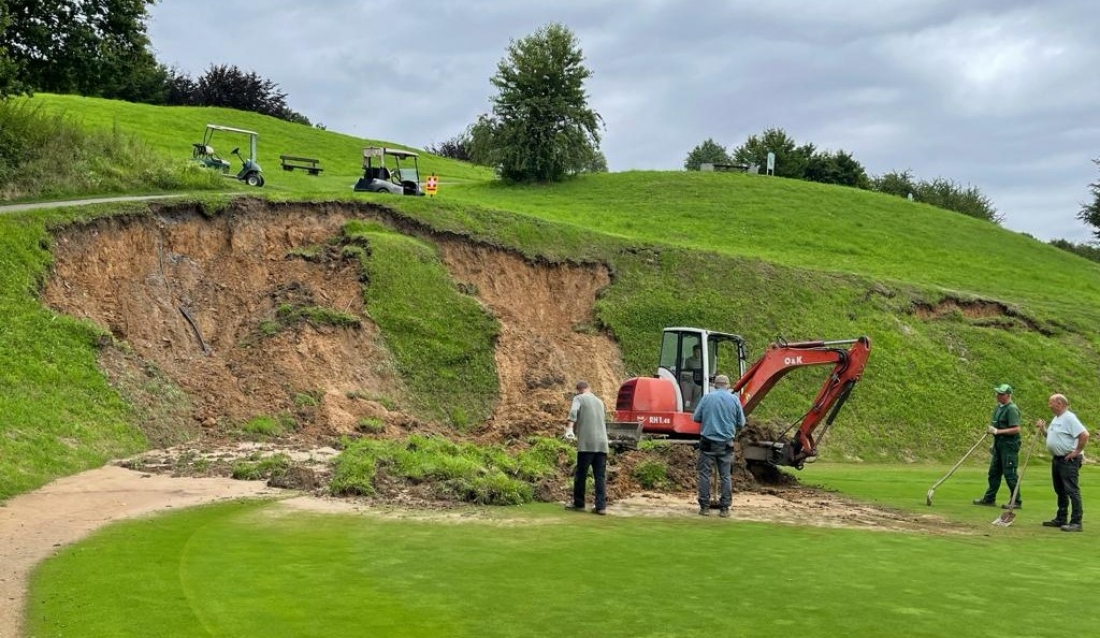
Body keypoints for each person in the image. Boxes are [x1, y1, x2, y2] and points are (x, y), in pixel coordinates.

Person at [692, 374, 745, 518]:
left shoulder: (707, 398)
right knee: (726, 476)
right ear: (727, 385)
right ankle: (724, 509)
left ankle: (704, 507)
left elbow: (696, 417)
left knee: (704, 474)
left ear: (715, 385)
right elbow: (741, 423)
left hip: (707, 443)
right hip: (726, 444)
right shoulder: (734, 399)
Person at [1035, 393, 1089, 532]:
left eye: (1051, 402)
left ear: (1059, 403)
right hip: (1058, 459)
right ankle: (1061, 518)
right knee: (1060, 490)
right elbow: (1053, 436)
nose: (1049, 405)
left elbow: (1084, 435)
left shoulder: (1069, 418)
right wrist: (1043, 430)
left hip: (1068, 459)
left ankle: (1076, 522)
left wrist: (1076, 452)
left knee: (1072, 490)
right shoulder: (1057, 418)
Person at [973, 383, 1023, 509]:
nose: (998, 396)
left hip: (1009, 446)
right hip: (999, 445)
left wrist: (997, 432)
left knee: (1010, 474)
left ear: (1008, 395)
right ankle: (989, 499)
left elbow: (1016, 429)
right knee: (994, 472)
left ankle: (1016, 501)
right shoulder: (998, 408)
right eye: (998, 393)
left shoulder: (1012, 409)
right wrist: (993, 442)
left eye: (1001, 394)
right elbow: (995, 427)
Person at [563, 380, 609, 515]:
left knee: (581, 474)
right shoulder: (600, 402)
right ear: (589, 388)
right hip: (602, 444)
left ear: (578, 390)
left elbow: (573, 412)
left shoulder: (578, 398)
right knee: (600, 476)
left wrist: (569, 429)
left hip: (587, 444)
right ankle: (601, 507)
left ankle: (579, 504)